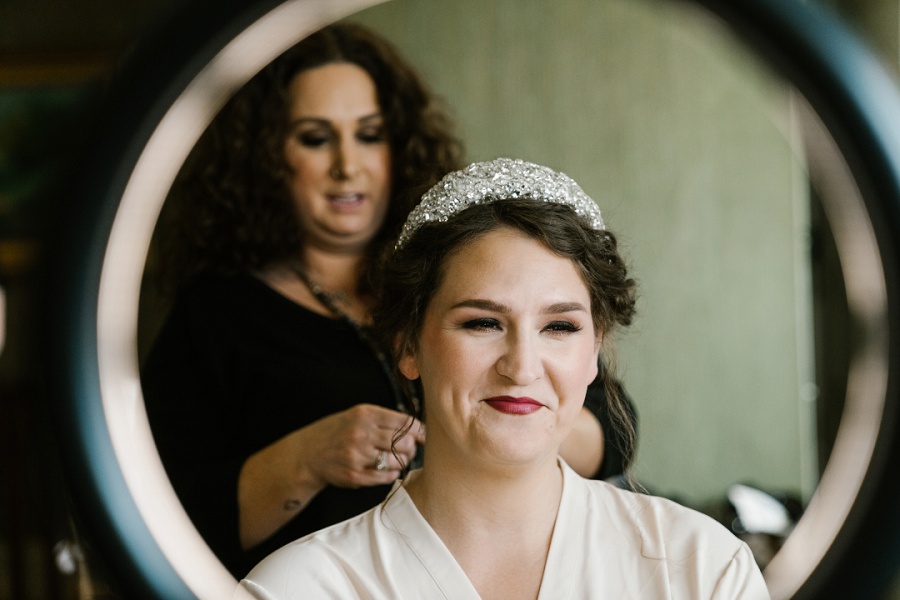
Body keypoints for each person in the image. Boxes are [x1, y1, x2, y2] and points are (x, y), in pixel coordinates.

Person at [141, 25, 636, 579]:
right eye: (315, 137)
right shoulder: (216, 316)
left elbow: (613, 434)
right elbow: (165, 516)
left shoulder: (464, 271)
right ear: (267, 157)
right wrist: (306, 458)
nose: (347, 165)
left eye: (369, 134)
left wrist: (499, 412)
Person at [239, 158, 770, 599]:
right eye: (482, 323)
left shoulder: (703, 570)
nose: (521, 365)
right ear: (407, 344)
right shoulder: (299, 588)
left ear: (594, 352)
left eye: (559, 326)